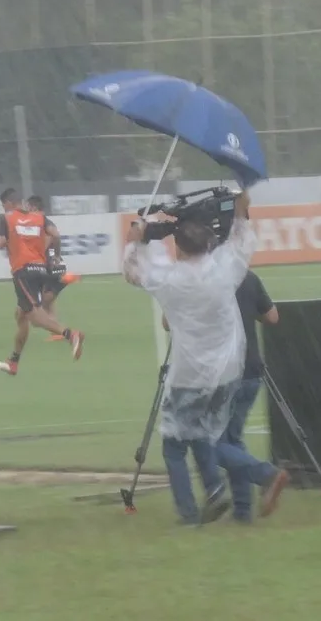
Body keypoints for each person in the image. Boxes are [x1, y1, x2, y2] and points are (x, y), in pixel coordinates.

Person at [123, 191, 257, 525]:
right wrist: (240, 210)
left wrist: (135, 240)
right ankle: (214, 489)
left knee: (173, 446)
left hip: (189, 373)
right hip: (227, 371)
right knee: (202, 434)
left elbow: (132, 273)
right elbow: (242, 240)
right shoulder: (226, 269)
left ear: (178, 247)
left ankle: (189, 514)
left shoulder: (170, 280)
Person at [163, 269, 289, 523]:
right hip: (251, 370)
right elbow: (273, 316)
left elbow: (168, 323)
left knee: (208, 445)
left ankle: (265, 474)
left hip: (220, 374)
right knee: (231, 440)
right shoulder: (247, 276)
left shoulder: (199, 279)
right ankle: (242, 511)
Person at [0, 188, 85, 375]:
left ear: (9, 204)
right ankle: (13, 361)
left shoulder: (6, 219)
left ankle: (70, 334)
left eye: (4, 206)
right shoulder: (39, 217)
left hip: (23, 271)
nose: (4, 209)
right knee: (21, 315)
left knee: (34, 317)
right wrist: (56, 257)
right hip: (41, 270)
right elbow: (56, 234)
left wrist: (6, 241)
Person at [23, 195, 79, 322]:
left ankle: (68, 278)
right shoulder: (42, 221)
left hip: (53, 268)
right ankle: (56, 332)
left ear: (33, 207)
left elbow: (53, 238)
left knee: (41, 304)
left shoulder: (41, 222)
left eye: (27, 207)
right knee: (47, 300)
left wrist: (40, 254)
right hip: (52, 266)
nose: (26, 210)